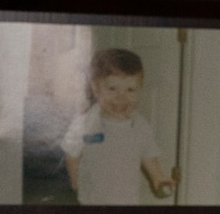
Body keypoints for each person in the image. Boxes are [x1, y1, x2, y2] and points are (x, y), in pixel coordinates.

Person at [61, 48, 179, 205]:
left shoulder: (140, 126)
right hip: (91, 200)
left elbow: (149, 156)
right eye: (112, 88)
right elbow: (72, 154)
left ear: (140, 89)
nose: (121, 97)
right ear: (96, 88)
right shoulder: (85, 123)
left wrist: (158, 178)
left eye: (131, 89)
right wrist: (75, 182)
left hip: (128, 200)